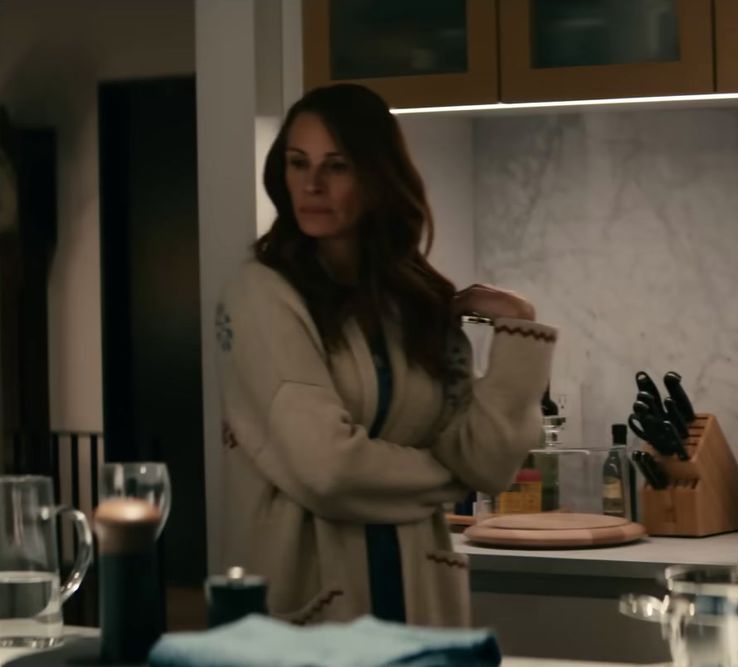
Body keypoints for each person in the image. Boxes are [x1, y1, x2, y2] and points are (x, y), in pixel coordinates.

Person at [216, 84, 556, 627]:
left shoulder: (412, 300)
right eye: (298, 163)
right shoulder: (260, 294)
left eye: (337, 166)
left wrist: (519, 324)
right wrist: (447, 478)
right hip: (311, 611)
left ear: (376, 177)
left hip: (419, 600)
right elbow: (328, 469)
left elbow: (487, 462)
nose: (312, 184)